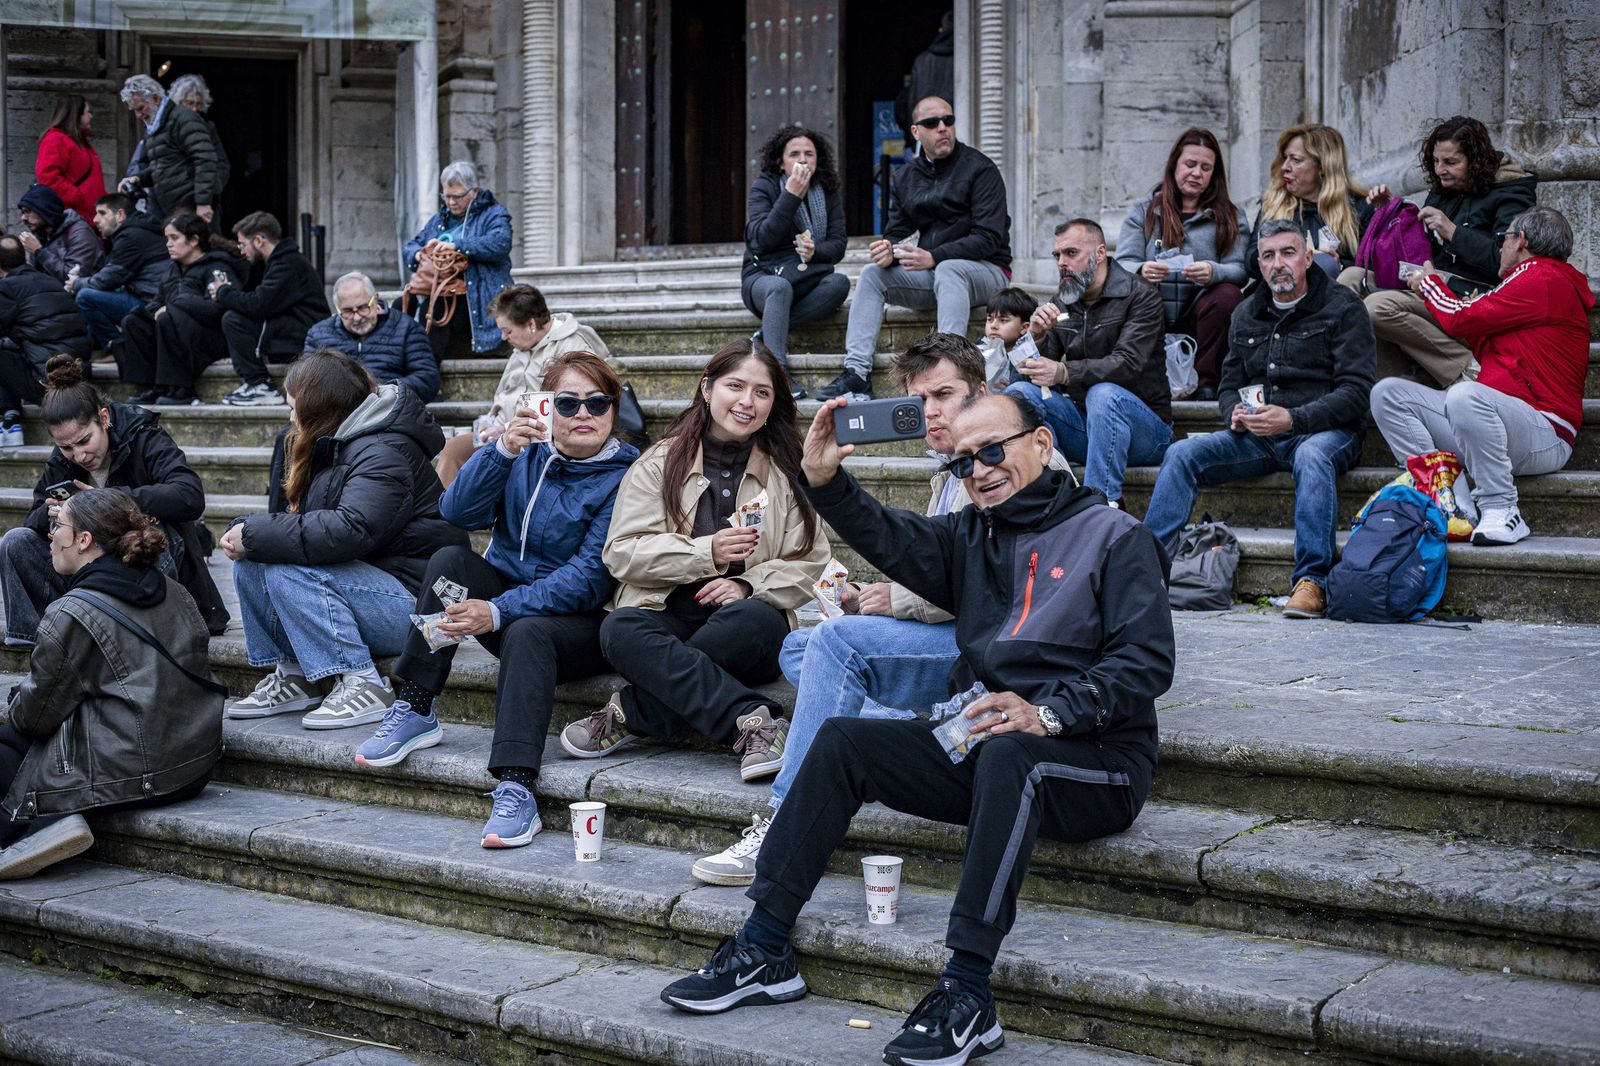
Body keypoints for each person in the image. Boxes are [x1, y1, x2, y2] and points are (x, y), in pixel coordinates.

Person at [660, 393, 1174, 1066]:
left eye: (993, 451)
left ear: (1042, 444)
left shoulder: (1116, 536)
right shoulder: (973, 536)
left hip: (1096, 760)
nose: (979, 471)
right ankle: (763, 946)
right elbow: (892, 538)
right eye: (963, 462)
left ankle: (967, 992)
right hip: (991, 745)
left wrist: (1048, 713)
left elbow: (1146, 662)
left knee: (1012, 755)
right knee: (844, 740)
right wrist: (826, 480)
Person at [690, 332, 1076, 887]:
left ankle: (783, 816)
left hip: (1003, 651)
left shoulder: (1007, 461)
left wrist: (894, 600)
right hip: (965, 633)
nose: (933, 412)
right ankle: (893, 724)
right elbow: (945, 556)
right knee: (802, 644)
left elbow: (1008, 580)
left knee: (834, 643)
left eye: (946, 394)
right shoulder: (951, 465)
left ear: (984, 391)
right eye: (919, 401)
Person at [353, 352, 639, 847]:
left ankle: (516, 785)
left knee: (528, 629)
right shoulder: (525, 453)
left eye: (598, 402)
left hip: (581, 625)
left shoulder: (627, 475)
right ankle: (417, 704)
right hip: (505, 606)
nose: (584, 415)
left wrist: (500, 610)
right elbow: (456, 512)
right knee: (450, 563)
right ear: (546, 408)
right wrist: (501, 451)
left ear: (614, 409)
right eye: (568, 403)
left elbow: (589, 577)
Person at [561, 340, 828, 779]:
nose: (747, 401)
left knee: (755, 622)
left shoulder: (788, 470)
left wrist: (747, 584)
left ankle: (634, 710)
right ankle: (753, 719)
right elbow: (622, 552)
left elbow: (810, 560)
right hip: (665, 609)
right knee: (619, 628)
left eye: (762, 392)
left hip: (745, 620)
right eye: (735, 386)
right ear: (707, 389)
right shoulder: (658, 463)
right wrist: (707, 552)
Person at [222, 351, 467, 729]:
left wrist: (254, 531)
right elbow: (310, 526)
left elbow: (351, 529)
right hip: (375, 585)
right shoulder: (342, 440)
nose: (290, 417)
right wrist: (250, 533)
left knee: (287, 568)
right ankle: (297, 674)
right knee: (253, 558)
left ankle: (364, 682)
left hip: (420, 608)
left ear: (320, 408)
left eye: (294, 407)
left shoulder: (383, 450)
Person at [1143, 219, 1375, 619]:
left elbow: (1356, 393)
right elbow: (1229, 383)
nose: (1277, 264)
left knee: (1312, 458)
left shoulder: (1342, 306)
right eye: (1267, 256)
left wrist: (1294, 418)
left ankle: (1312, 582)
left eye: (1287, 253)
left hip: (1326, 431)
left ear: (1307, 257)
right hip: (1260, 435)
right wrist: (1233, 412)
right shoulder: (1247, 311)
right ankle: (1145, 572)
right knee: (1182, 453)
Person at [0, 488, 221, 880]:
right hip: (196, 761)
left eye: (58, 526)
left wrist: (18, 703)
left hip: (142, 771)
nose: (50, 535)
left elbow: (34, 718)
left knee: (8, 740)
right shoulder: (174, 590)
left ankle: (36, 827)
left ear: (84, 541)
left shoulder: (72, 611)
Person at [1370, 207, 1591, 546]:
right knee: (1388, 394)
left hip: (1545, 431)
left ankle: (1503, 509)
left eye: (1503, 239)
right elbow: (1471, 324)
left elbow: (1461, 320)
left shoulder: (1542, 275)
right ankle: (1452, 506)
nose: (1499, 246)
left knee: (1465, 395)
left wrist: (1428, 284)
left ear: (1521, 241)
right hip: (1501, 424)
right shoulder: (1535, 280)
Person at [0, 354, 229, 644]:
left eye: (85, 441)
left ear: (104, 418)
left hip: (154, 569)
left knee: (149, 535)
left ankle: (134, 640)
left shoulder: (142, 433)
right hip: (91, 577)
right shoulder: (63, 457)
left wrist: (107, 500)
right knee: (15, 542)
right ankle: (45, 649)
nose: (79, 455)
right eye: (66, 447)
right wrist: (57, 514)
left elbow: (189, 494)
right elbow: (33, 517)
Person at [817, 97, 1011, 401]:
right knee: (872, 274)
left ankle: (953, 367)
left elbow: (989, 237)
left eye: (948, 120)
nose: (943, 128)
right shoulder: (906, 175)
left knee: (949, 269)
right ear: (916, 132)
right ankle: (856, 374)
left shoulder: (980, 169)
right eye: (932, 123)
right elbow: (897, 230)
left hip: (988, 272)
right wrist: (888, 250)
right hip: (938, 279)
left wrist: (934, 256)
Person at [1344, 116, 1540, 387]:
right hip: (1430, 282)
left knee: (1378, 308)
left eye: (1451, 162)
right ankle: (1385, 376)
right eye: (1436, 161)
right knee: (1350, 280)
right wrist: (1394, 210)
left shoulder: (1511, 191)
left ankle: (1467, 370)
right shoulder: (1444, 189)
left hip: (1472, 296)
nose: (1440, 170)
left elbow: (1508, 264)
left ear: (1476, 160)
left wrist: (1453, 232)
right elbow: (1420, 245)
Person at [1005, 218, 1170, 508]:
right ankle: (1046, 498)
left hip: (1146, 431)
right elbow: (1033, 376)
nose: (1061, 263)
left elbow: (1127, 363)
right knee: (1018, 395)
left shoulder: (1140, 295)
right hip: (1089, 427)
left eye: (1071, 253)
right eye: (1057, 255)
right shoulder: (1063, 299)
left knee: (1104, 394)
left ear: (1100, 253)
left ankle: (1098, 507)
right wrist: (1037, 338)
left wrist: (1065, 372)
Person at [1115, 127, 1248, 397]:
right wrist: (1142, 269)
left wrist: (1213, 271)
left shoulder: (1230, 215)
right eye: (1190, 164)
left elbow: (1240, 270)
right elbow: (1121, 264)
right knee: (1125, 295)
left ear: (1214, 175)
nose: (1197, 173)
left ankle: (1206, 382)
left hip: (1199, 313)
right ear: (1174, 164)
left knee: (1227, 296)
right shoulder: (1144, 210)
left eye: (1205, 167)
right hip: (1152, 312)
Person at [434, 284, 611, 486]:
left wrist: (505, 428)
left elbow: (568, 406)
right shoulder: (523, 346)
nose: (503, 338)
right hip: (502, 432)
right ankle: (441, 515)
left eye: (507, 331)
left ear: (531, 324)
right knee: (453, 449)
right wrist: (490, 424)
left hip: (537, 439)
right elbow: (503, 394)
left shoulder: (572, 347)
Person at [742, 124, 849, 395]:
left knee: (839, 283)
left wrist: (816, 252)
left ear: (817, 159)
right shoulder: (764, 187)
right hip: (763, 277)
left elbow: (838, 245)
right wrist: (790, 196)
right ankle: (777, 374)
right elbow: (762, 239)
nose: (802, 160)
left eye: (809, 154)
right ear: (780, 162)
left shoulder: (827, 190)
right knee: (779, 288)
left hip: (805, 276)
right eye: (794, 154)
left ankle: (768, 333)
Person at [116, 210, 245, 406]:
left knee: (168, 317)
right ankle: (152, 386)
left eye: (174, 238)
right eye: (167, 238)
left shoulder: (216, 267)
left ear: (194, 240)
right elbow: (157, 301)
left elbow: (218, 310)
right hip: (176, 330)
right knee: (133, 321)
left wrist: (175, 305)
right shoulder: (172, 269)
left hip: (209, 337)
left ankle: (182, 389)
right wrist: (148, 313)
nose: (168, 244)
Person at [211, 211, 327, 406]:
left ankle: (259, 384)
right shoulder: (282, 260)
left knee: (234, 320)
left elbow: (259, 305)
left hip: (306, 335)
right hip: (294, 329)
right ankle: (256, 382)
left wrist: (223, 292)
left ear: (258, 240)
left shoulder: (287, 263)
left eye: (243, 244)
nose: (242, 250)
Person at [402, 160, 514, 361]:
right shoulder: (440, 219)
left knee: (435, 310)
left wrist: (457, 245)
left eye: (457, 196)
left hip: (477, 296)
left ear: (474, 191)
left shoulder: (494, 213)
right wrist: (419, 254)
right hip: (442, 291)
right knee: (401, 305)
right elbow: (411, 245)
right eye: (446, 196)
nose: (451, 202)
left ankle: (426, 373)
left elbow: (500, 243)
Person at [1247, 123, 1371, 280]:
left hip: (1334, 295)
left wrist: (1339, 264)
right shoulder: (1273, 204)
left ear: (1322, 166)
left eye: (1296, 160)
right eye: (1285, 158)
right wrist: (1279, 254)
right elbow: (1250, 262)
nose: (1285, 167)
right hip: (1278, 294)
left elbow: (1370, 268)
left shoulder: (1358, 208)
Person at [0, 236, 91, 445]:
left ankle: (10, 421)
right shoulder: (50, 281)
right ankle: (11, 417)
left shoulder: (8, 288)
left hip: (50, 384)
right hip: (79, 376)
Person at [304, 272, 439, 404]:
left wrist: (380, 392)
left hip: (391, 411)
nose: (357, 317)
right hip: (337, 414)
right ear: (337, 309)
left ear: (376, 299)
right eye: (347, 311)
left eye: (363, 308)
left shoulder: (406, 328)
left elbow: (427, 379)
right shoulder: (318, 335)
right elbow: (305, 382)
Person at [68, 193, 168, 353]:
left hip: (150, 303)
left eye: (102, 213)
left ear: (120, 214)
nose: (94, 219)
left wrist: (76, 283)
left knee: (85, 297)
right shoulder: (138, 230)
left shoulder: (131, 236)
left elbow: (108, 279)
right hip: (151, 297)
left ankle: (117, 348)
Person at [117, 74, 217, 223]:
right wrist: (139, 178)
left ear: (156, 99)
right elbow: (166, 164)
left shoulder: (182, 119)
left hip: (189, 205)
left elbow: (205, 159)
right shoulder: (156, 126)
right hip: (171, 205)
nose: (138, 115)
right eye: (134, 110)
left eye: (140, 108)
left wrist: (203, 202)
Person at [33, 93, 107, 226]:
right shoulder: (56, 139)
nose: (91, 116)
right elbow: (47, 177)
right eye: (88, 112)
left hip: (86, 217)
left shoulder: (77, 141)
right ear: (75, 114)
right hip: (75, 218)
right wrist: (77, 197)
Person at [168, 74, 231, 225]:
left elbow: (222, 164)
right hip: (175, 201)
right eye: (189, 103)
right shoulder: (166, 127)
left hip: (207, 202)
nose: (194, 109)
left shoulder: (209, 127)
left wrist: (212, 188)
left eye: (198, 104)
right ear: (178, 102)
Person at [16, 184, 104, 284]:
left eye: (27, 212)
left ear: (44, 210)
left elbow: (72, 278)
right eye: (22, 213)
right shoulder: (41, 233)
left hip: (80, 294)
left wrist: (39, 251)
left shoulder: (79, 232)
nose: (23, 218)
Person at [894, 13, 955, 137]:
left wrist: (912, 137)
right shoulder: (969, 60)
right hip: (956, 133)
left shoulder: (922, 60)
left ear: (941, 30)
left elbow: (911, 102)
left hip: (926, 133)